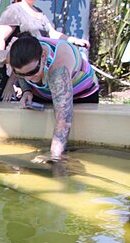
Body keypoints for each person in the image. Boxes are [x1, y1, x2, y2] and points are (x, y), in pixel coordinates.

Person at [9, 35, 99, 163]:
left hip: (81, 93)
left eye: (32, 72)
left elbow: (63, 121)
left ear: (43, 56)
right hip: (43, 92)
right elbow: (22, 74)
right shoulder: (16, 56)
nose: (28, 78)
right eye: (21, 74)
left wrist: (54, 158)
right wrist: (26, 90)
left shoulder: (58, 70)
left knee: (75, 145)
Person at [0, 0, 89, 48]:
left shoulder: (39, 12)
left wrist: (75, 40)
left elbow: (52, 33)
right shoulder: (13, 10)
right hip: (18, 66)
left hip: (38, 64)